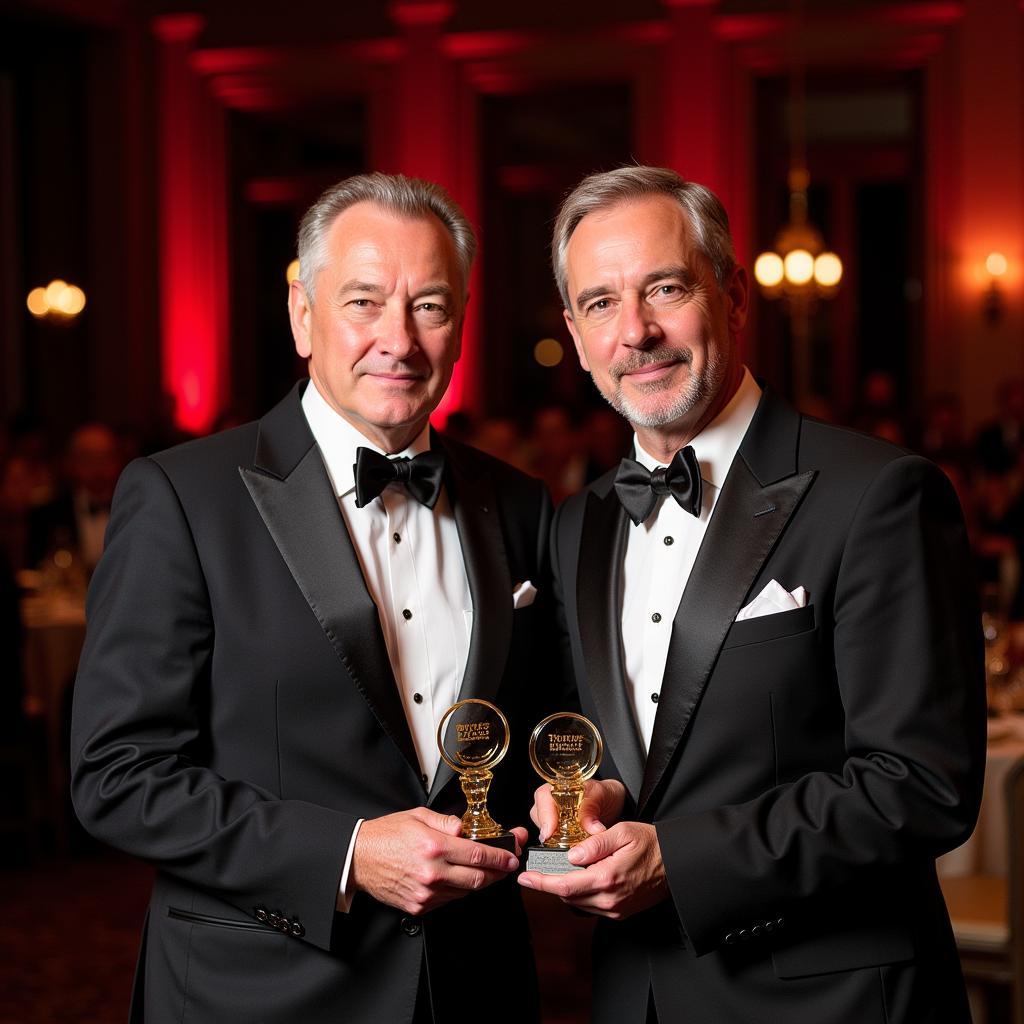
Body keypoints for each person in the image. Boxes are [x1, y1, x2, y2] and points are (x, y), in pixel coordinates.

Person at [71, 173, 551, 1023]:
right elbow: (118, 775)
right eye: (363, 302)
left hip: (471, 987)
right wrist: (350, 852)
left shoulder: (519, 504)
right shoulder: (182, 496)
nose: (397, 340)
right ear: (303, 314)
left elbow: (539, 728)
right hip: (256, 990)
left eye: (430, 307)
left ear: (462, 321)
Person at [518, 166, 985, 1023]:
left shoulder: (877, 493)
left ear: (733, 297)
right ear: (576, 336)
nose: (637, 332)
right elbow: (625, 744)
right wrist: (592, 794)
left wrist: (682, 863)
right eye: (600, 304)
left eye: (665, 287)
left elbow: (922, 784)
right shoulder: (577, 524)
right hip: (637, 995)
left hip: (832, 1001)